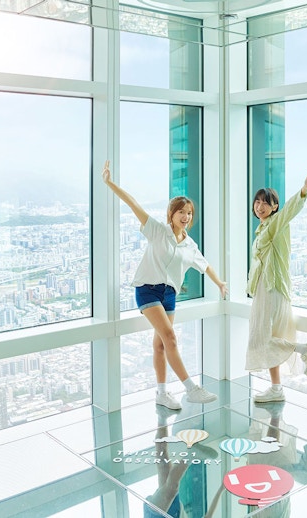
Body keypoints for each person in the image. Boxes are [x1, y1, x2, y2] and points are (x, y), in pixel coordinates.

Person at [102, 159, 227, 409]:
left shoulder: (190, 245)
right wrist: (109, 183)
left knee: (160, 344)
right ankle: (191, 389)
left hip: (169, 295)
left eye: (189, 213)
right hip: (147, 290)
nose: (186, 216)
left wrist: (220, 284)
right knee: (170, 337)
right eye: (181, 212)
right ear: (171, 214)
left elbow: (206, 266)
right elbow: (133, 204)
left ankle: (161, 393)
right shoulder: (157, 231)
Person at [246, 169, 307, 403]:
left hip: (272, 288)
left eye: (266, 203)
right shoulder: (261, 229)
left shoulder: (275, 224)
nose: (260, 206)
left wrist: (304, 190)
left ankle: (304, 350)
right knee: (267, 338)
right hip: (263, 289)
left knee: (261, 339)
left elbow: (289, 211)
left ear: (275, 207)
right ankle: (276, 388)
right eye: (257, 201)